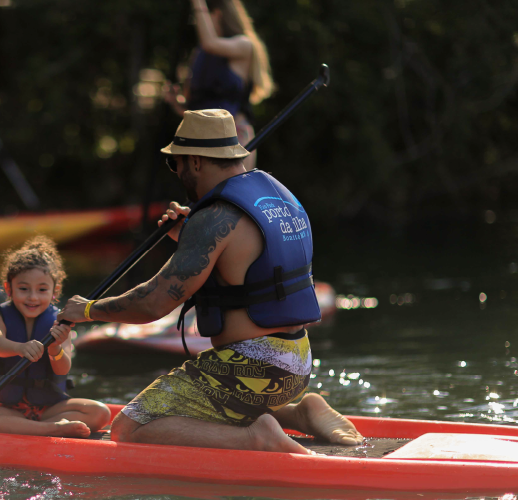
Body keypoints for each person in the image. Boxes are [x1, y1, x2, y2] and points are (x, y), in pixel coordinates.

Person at [59, 109, 362, 454]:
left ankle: (257, 438)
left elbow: (153, 303)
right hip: (298, 361)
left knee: (129, 428)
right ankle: (299, 413)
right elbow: (246, 261)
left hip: (253, 367)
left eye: (177, 164)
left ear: (196, 162)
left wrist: (88, 310)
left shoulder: (215, 217)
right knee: (209, 406)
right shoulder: (277, 196)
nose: (178, 173)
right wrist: (187, 236)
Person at [0, 236, 111, 437]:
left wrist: (55, 349)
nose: (33, 297)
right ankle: (52, 429)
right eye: (23, 289)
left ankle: (35, 428)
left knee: (101, 412)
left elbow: (63, 367)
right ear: (9, 288)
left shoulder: (62, 322)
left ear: (55, 291)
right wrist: (19, 348)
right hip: (11, 409)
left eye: (42, 289)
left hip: (50, 409)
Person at [164, 0, 274, 171]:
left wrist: (197, 3)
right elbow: (193, 106)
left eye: (203, 16)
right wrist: (176, 102)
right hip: (202, 140)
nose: (199, 23)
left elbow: (210, 43)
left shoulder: (244, 44)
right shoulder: (200, 54)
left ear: (217, 14)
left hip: (233, 138)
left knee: (231, 194)